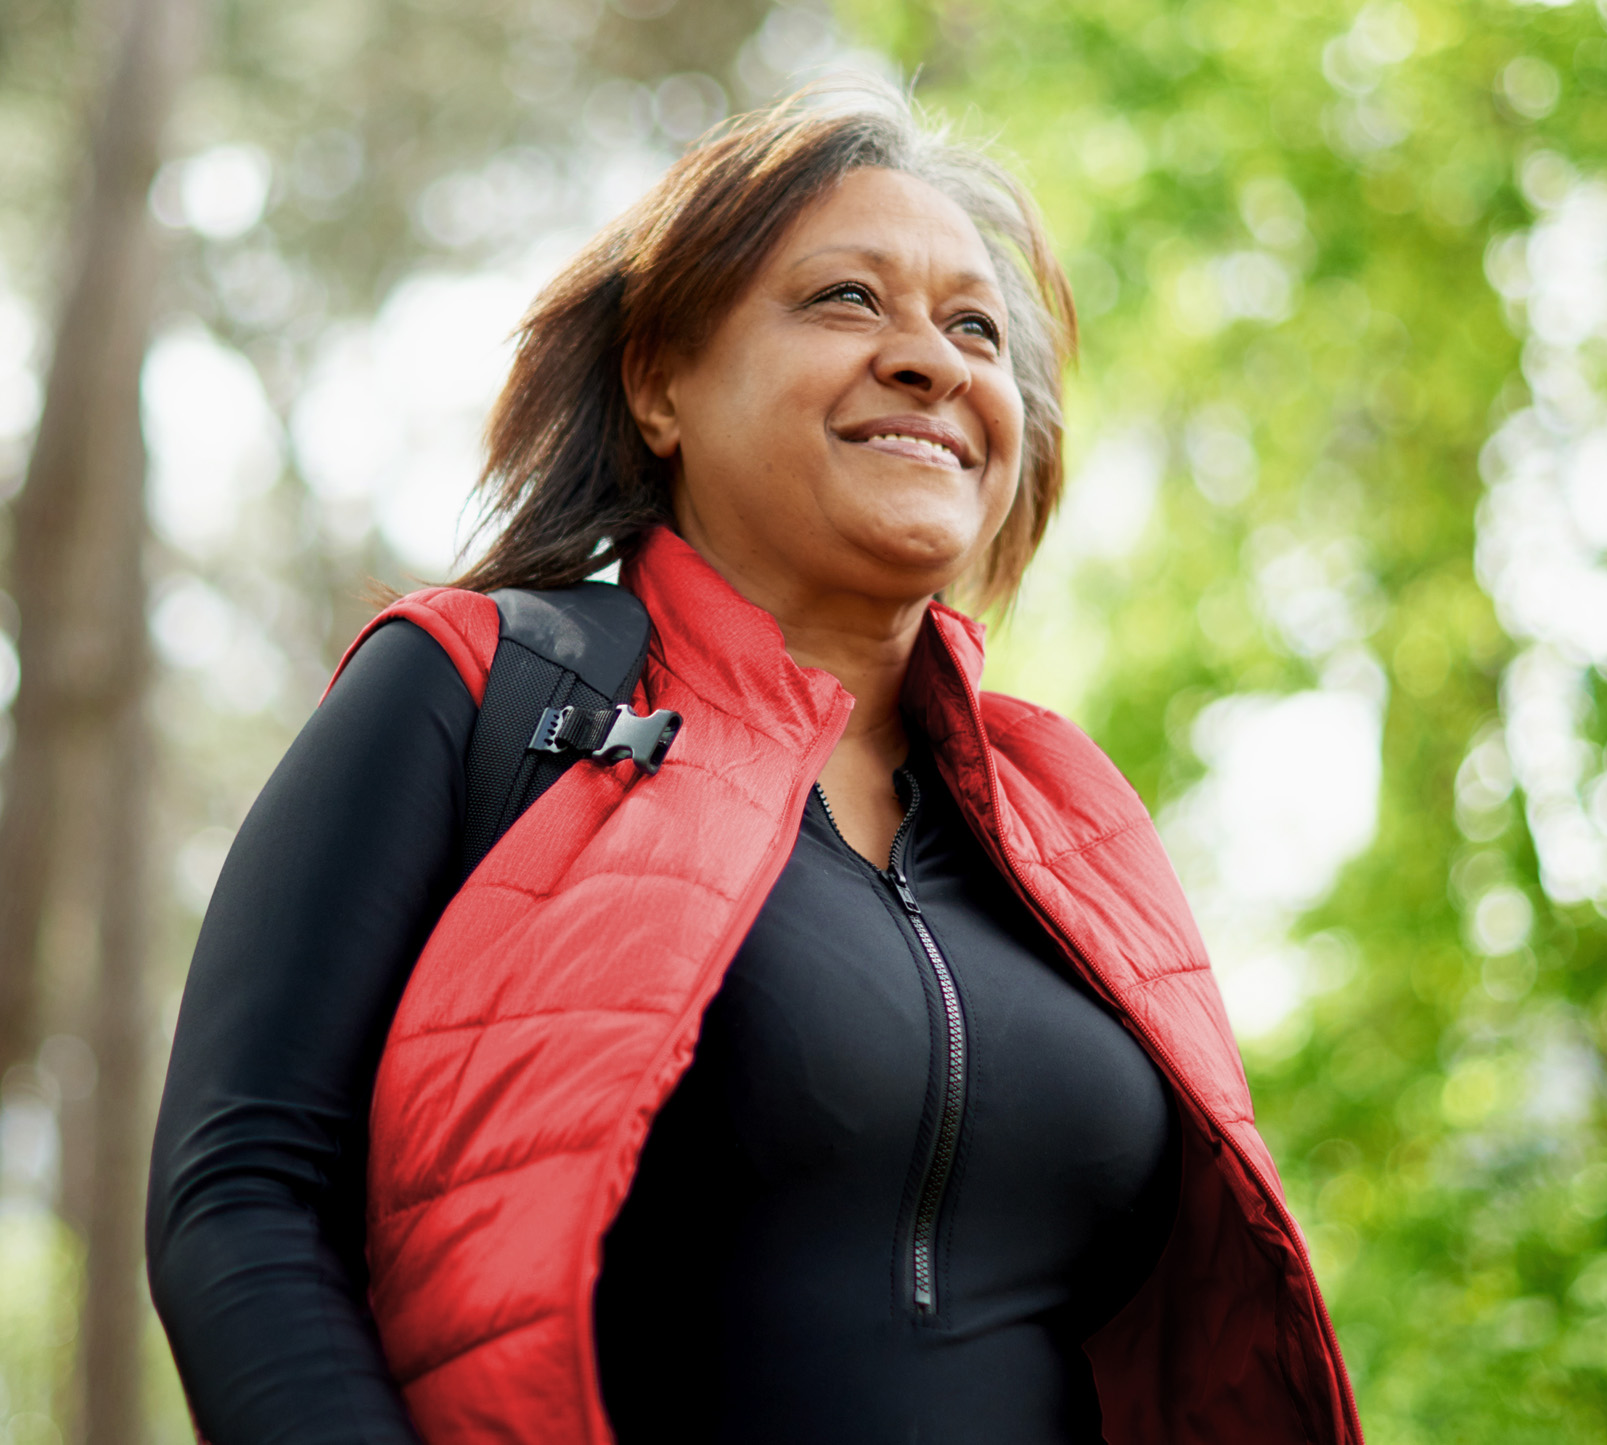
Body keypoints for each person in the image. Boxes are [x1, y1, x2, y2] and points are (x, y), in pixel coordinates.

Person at [146, 84, 1360, 1445]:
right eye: (848, 299)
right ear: (660, 383)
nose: (936, 362)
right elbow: (238, 1196)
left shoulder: (1068, 814)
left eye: (976, 327)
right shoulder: (481, 686)